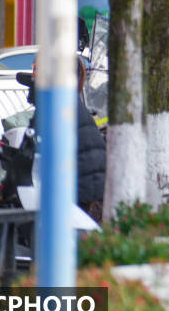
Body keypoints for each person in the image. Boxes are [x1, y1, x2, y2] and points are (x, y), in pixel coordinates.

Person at [14, 55, 106, 221]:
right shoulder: (66, 102)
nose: (33, 76)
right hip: (89, 192)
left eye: (36, 69)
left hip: (81, 196)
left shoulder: (56, 106)